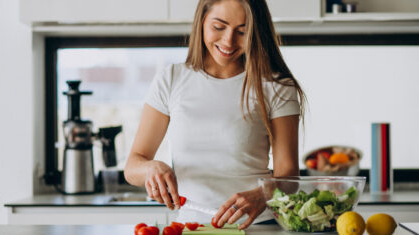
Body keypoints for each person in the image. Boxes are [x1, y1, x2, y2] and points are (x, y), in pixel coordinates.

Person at [124, 0, 306, 230]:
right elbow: (133, 166)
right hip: (188, 227)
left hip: (255, 226)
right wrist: (150, 168)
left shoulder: (277, 86)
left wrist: (262, 194)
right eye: (219, 27)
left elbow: (288, 177)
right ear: (201, 22)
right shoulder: (171, 79)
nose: (228, 41)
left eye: (243, 31)